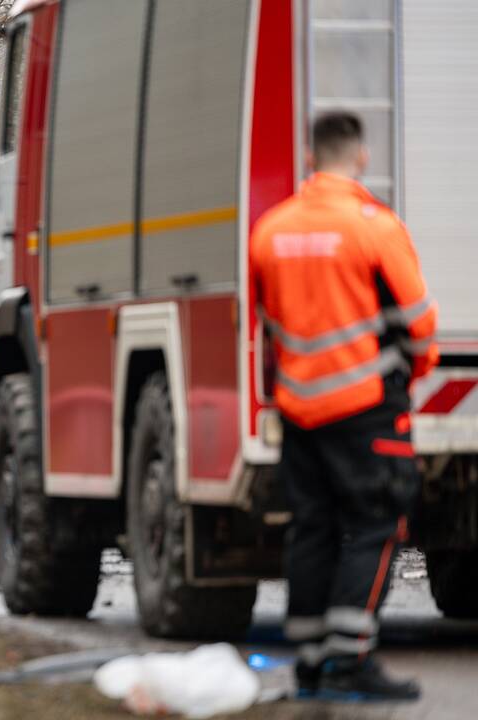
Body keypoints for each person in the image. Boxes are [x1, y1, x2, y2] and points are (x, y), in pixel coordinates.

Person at [251, 111, 438, 701]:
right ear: (359, 156)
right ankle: (350, 661)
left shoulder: (270, 230)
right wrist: (411, 371)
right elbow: (419, 323)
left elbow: (268, 322)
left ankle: (309, 661)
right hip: (364, 409)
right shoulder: (373, 226)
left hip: (298, 411)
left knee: (312, 528)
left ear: (310, 156)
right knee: (374, 525)